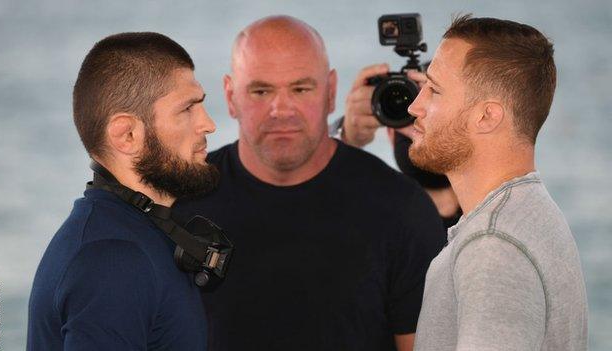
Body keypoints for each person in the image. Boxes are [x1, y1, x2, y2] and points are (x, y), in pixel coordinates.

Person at [173, 15, 446, 351]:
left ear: (331, 92)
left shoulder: (403, 211)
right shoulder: (177, 205)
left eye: (301, 88)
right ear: (230, 96)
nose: (281, 109)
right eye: (261, 90)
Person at [404, 15, 588, 350]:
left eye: (434, 90)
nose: (415, 106)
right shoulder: (531, 212)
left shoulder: (493, 246)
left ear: (487, 116)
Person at [27, 32, 218, 350]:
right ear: (127, 135)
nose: (208, 124)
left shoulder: (133, 234)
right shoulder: (113, 261)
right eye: (187, 109)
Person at [336, 66, 461, 228]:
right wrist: (348, 142)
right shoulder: (369, 220)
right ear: (389, 130)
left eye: (433, 111)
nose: (418, 121)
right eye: (407, 115)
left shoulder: (497, 214)